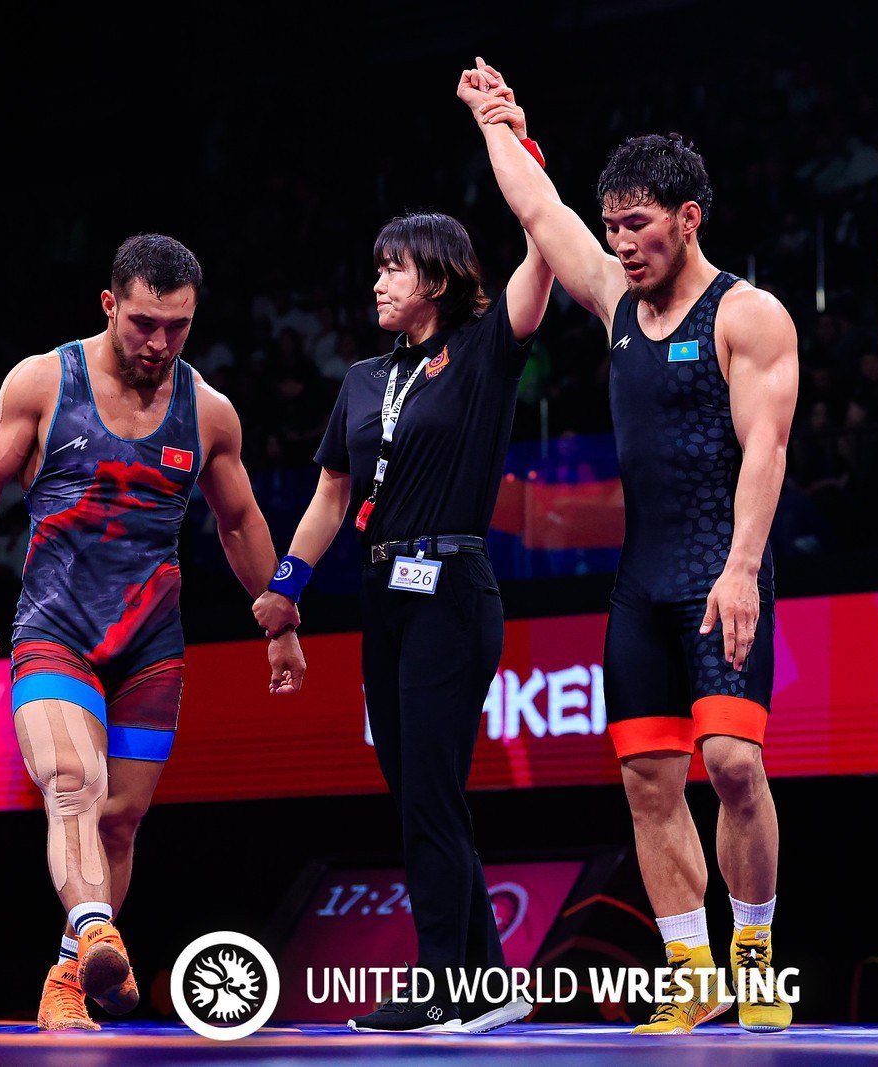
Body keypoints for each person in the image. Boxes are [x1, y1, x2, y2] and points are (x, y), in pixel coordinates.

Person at [461, 59, 800, 1034]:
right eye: (611, 226)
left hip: (719, 570)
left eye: (637, 225)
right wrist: (497, 123)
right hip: (639, 584)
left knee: (732, 763)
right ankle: (693, 971)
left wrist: (741, 571)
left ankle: (754, 954)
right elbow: (539, 208)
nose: (620, 243)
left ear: (687, 219)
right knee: (647, 779)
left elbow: (766, 449)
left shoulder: (747, 315)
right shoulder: (615, 300)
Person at [0, 234, 305, 1031]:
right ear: (110, 305)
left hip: (151, 645)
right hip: (56, 630)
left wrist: (281, 617)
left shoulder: (207, 410)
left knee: (121, 817)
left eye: (178, 326)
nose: (160, 342)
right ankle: (95, 928)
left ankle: (68, 977)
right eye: (144, 322)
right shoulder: (43, 382)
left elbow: (240, 520)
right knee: (72, 782)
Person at [251, 97, 553, 1034]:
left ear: (439, 275)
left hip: (453, 588)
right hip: (382, 596)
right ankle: (489, 986)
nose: (377, 280)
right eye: (377, 266)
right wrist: (287, 588)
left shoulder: (485, 349)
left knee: (428, 788)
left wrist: (514, 143)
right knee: (420, 791)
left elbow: (544, 252)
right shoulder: (361, 380)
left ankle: (442, 982)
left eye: (393, 266)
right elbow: (330, 496)